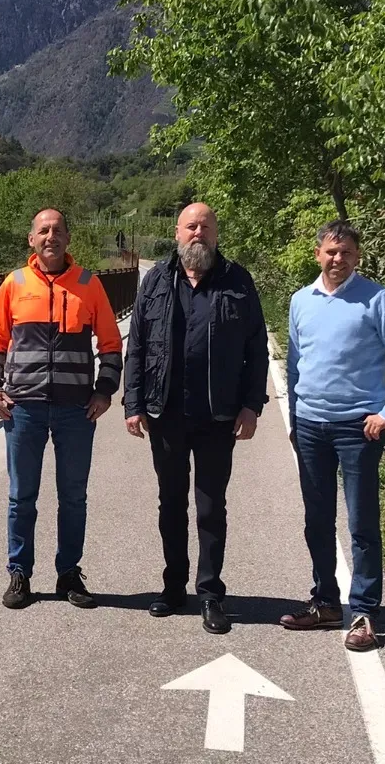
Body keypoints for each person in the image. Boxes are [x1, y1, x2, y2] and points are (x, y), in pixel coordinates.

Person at [122, 203, 269, 635]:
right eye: (191, 226)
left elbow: (256, 350)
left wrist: (252, 405)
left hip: (217, 416)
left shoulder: (238, 282)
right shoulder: (156, 281)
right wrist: (132, 404)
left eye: (205, 226)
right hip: (165, 413)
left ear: (216, 234)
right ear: (177, 233)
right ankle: (173, 588)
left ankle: (210, 594)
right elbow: (139, 347)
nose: (198, 233)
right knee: (171, 503)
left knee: (210, 507)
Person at [280, 220, 385, 651]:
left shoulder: (378, 299)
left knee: (362, 523)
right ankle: (325, 602)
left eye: (345, 252)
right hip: (310, 426)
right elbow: (295, 364)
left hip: (357, 428)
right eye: (330, 251)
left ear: (356, 257)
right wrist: (294, 416)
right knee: (317, 520)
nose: (337, 259)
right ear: (317, 254)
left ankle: (362, 612)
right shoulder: (300, 301)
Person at [0, 209, 124, 610]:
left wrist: (104, 390)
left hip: (76, 410)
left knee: (73, 496)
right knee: (20, 496)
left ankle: (68, 573)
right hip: (22, 407)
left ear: (68, 239)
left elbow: (112, 344)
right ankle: (19, 573)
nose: (50, 237)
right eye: (43, 231)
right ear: (31, 239)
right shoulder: (15, 283)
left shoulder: (88, 284)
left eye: (57, 230)